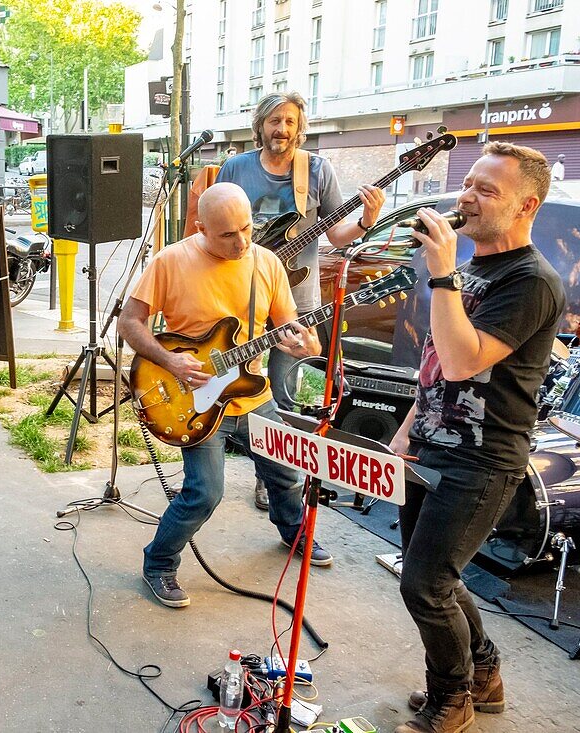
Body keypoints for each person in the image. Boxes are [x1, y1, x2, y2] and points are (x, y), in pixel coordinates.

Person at [388, 142, 564, 733]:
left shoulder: (532, 280)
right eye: (468, 183)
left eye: (487, 190)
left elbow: (466, 362)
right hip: (433, 443)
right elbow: (436, 364)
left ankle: (453, 700)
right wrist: (407, 431)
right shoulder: (473, 269)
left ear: (525, 206)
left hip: (483, 459)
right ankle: (482, 674)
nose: (467, 197)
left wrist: (440, 275)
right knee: (435, 575)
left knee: (426, 584)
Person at [117, 183, 326, 609]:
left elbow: (290, 325)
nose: (242, 241)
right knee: (204, 493)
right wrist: (170, 360)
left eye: (247, 229)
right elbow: (130, 323)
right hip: (192, 400)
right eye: (227, 234)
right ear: (201, 228)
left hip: (250, 394)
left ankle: (295, 534)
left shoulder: (266, 263)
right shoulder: (171, 261)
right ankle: (158, 563)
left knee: (286, 474)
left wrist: (304, 343)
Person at [215, 92, 385, 511]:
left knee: (284, 395)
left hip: (296, 301)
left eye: (290, 122)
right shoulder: (236, 168)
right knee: (237, 387)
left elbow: (335, 234)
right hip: (240, 300)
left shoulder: (318, 170)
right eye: (275, 121)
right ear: (261, 125)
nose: (282, 130)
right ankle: (222, 461)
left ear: (299, 127)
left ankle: (273, 483)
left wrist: (366, 220)